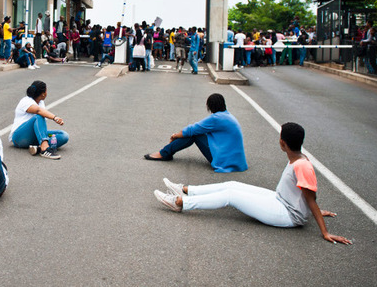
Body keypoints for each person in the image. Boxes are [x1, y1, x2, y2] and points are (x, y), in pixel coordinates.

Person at [153, 122, 352, 245]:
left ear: (283, 143)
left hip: (288, 214)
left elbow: (311, 198)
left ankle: (180, 203)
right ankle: (186, 189)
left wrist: (324, 231)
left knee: (231, 196)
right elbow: (308, 197)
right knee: (232, 185)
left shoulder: (302, 165)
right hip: (279, 200)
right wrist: (313, 209)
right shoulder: (298, 157)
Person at [143, 93, 248, 173]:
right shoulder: (227, 115)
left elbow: (192, 129)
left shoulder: (217, 118)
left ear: (210, 106)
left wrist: (174, 136)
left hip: (224, 161)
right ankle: (166, 153)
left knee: (194, 134)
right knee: (196, 133)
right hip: (236, 161)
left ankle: (164, 153)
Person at [9, 80, 69, 159]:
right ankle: (44, 149)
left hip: (33, 138)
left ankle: (37, 148)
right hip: (19, 137)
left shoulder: (40, 102)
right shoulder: (26, 101)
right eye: (46, 90)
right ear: (43, 94)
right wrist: (55, 117)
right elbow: (38, 111)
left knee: (63, 135)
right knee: (39, 116)